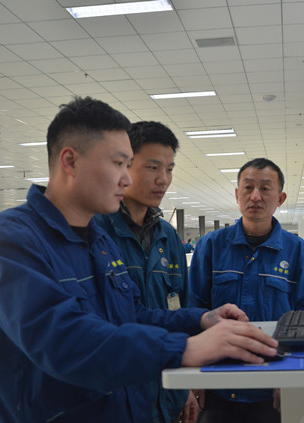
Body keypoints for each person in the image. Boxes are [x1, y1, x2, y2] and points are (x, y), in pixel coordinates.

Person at [0, 97, 279, 423]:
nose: (127, 179)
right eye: (118, 164)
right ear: (70, 162)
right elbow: (61, 340)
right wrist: (184, 349)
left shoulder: (98, 241)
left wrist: (201, 319)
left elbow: (133, 315)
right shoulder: (10, 239)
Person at [189, 158, 304, 423]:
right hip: (217, 382)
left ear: (280, 198)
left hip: (273, 385)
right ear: (237, 194)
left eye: (265, 188)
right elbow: (193, 310)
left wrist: (292, 376)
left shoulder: (297, 251)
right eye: (248, 187)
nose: (255, 196)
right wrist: (192, 376)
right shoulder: (211, 246)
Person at [94, 120, 198, 423]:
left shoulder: (167, 235)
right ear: (124, 165)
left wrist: (185, 385)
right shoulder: (96, 231)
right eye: (153, 167)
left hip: (167, 396)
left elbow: (181, 308)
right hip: (118, 397)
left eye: (169, 169)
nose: (163, 179)